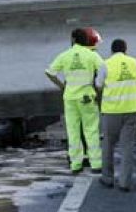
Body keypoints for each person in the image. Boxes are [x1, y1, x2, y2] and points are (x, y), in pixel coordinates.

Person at [45, 28, 105, 174]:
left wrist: (62, 86)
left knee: (73, 131)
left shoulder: (64, 55)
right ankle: (96, 164)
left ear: (73, 39)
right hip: (87, 97)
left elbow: (50, 72)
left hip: (70, 98)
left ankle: (76, 164)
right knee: (91, 130)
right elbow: (104, 69)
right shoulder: (91, 55)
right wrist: (98, 87)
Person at [99, 38, 136, 192]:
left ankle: (107, 178)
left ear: (112, 51)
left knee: (108, 145)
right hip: (131, 110)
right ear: (126, 50)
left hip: (111, 111)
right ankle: (125, 182)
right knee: (127, 147)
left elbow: (98, 84)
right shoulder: (133, 62)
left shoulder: (106, 64)